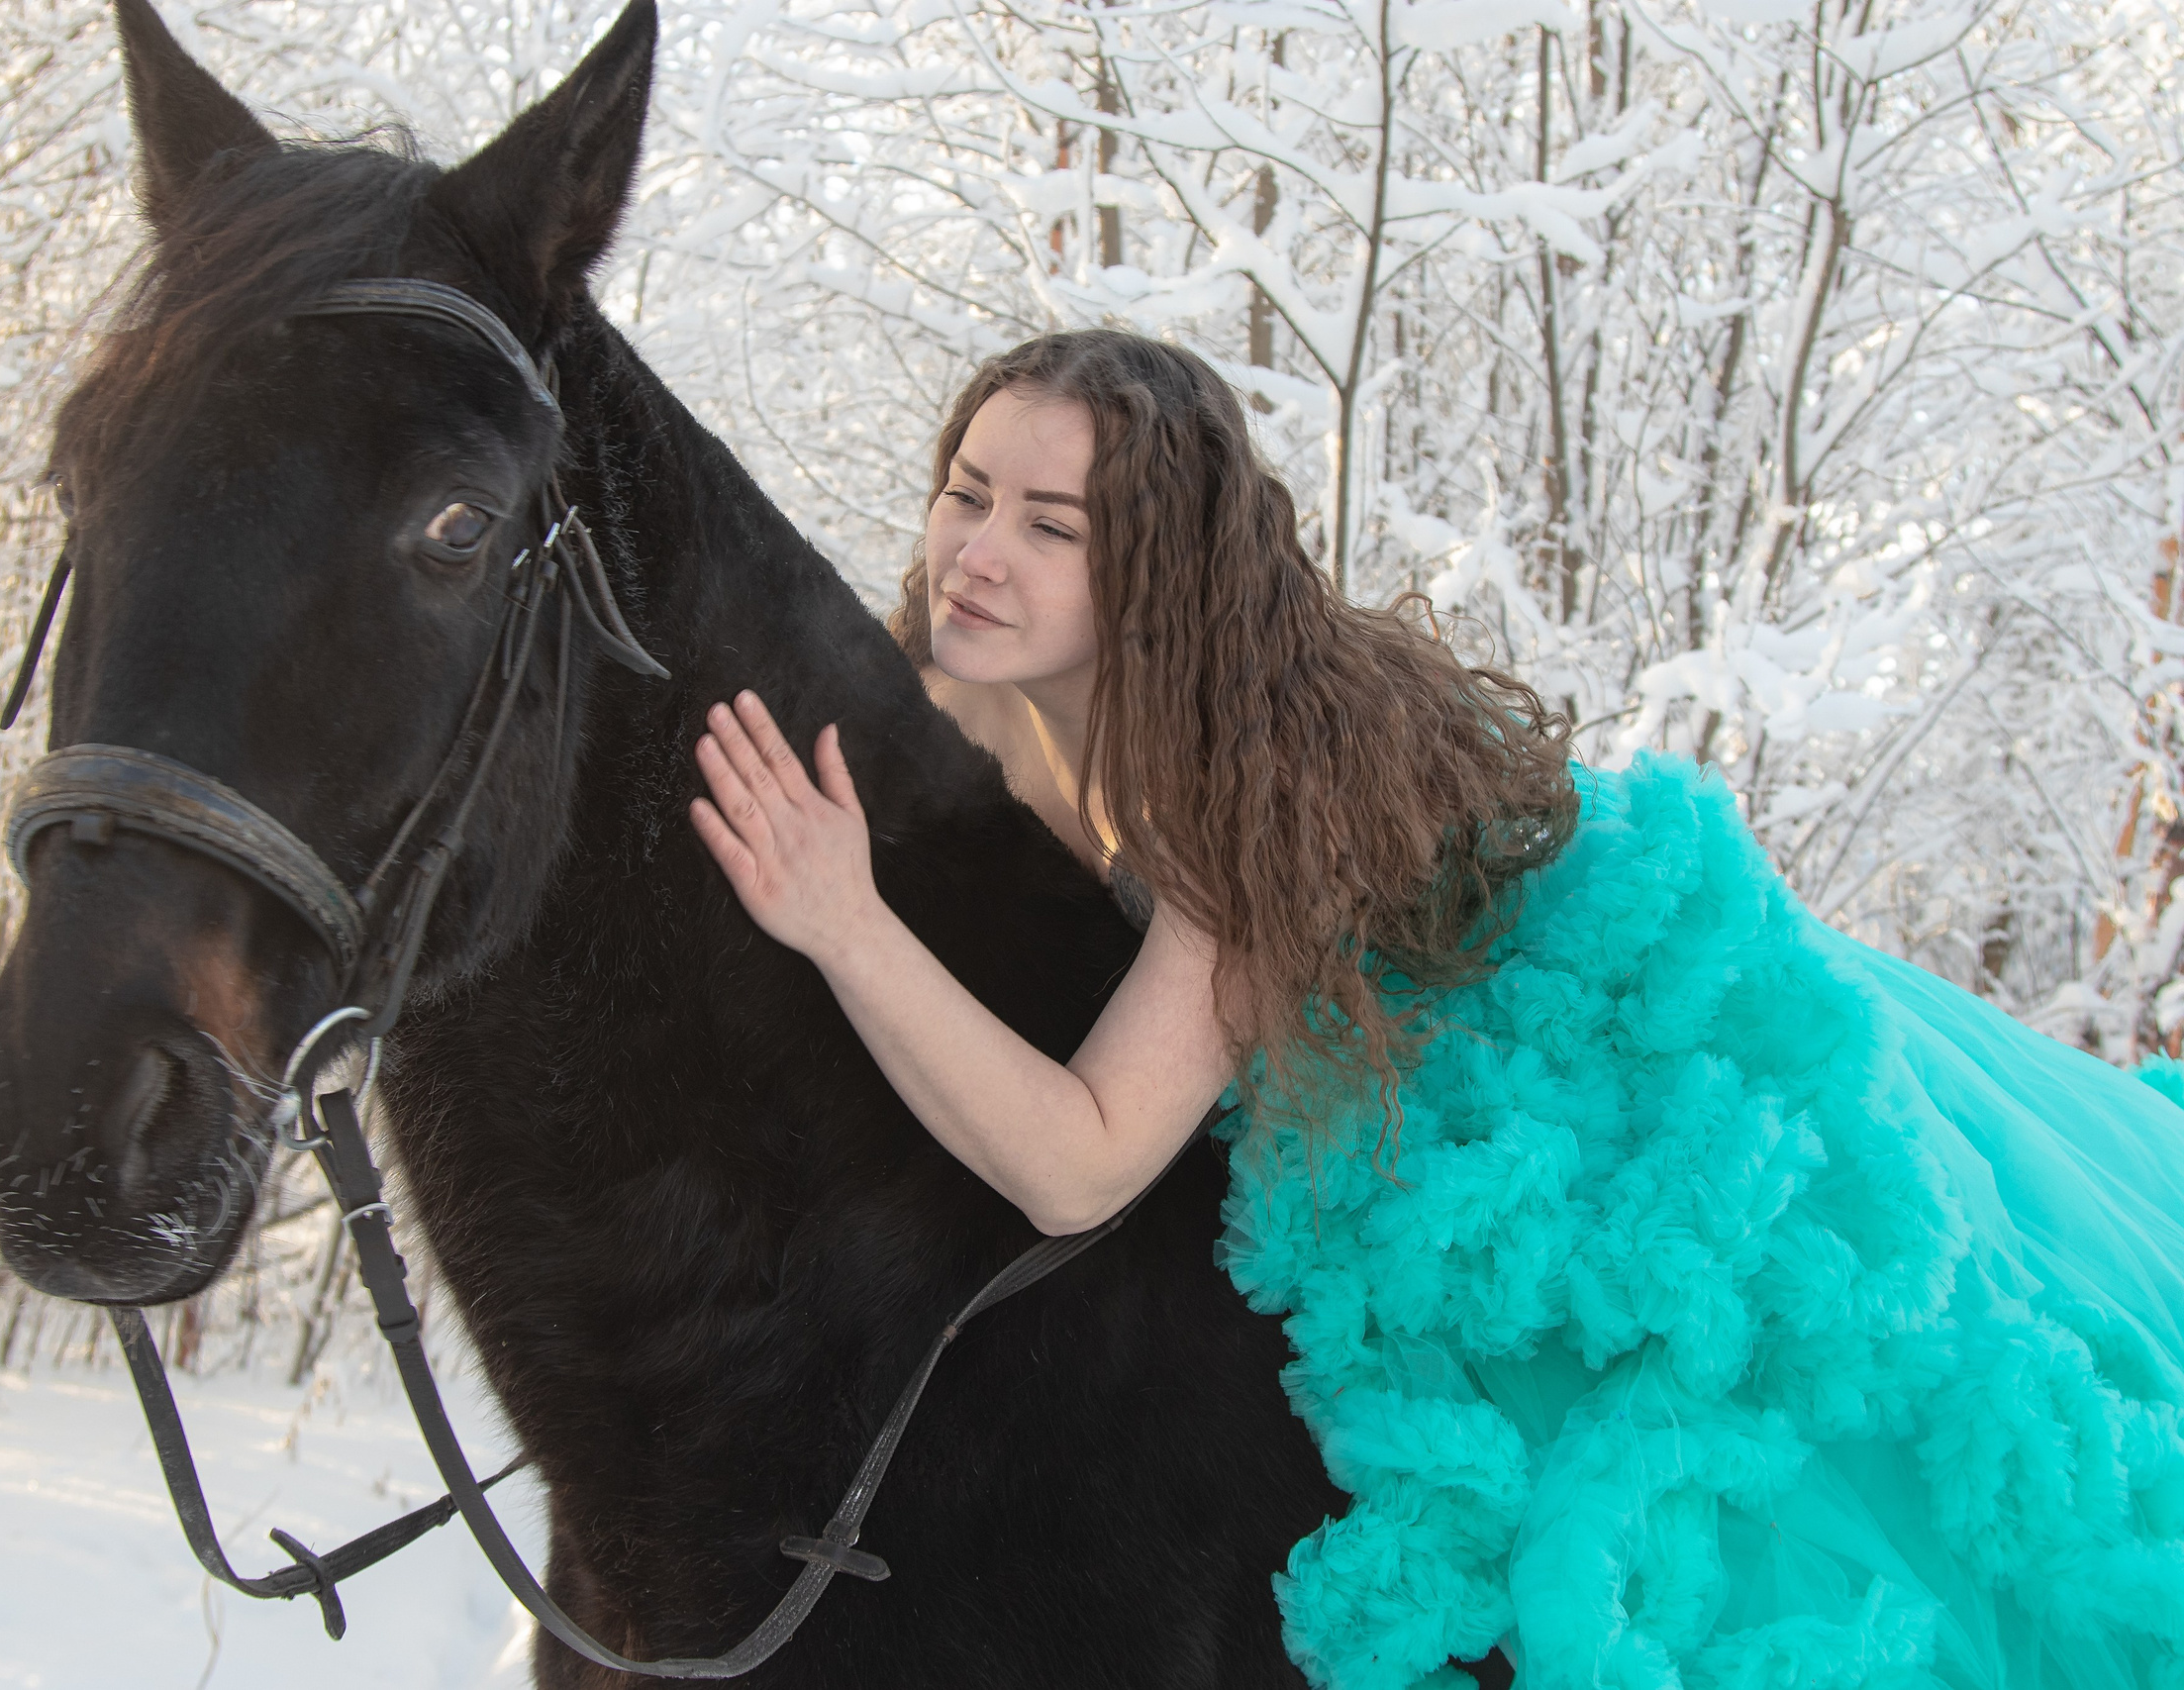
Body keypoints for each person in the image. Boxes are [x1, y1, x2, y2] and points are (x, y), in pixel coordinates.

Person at [686, 330, 2184, 1690]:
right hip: (1364, 1056)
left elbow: (1082, 1160)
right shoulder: (953, 685)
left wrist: (843, 925)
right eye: (967, 492)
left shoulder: (1253, 785)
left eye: (1051, 525)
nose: (978, 552)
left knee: (1752, 1467)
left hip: (1573, 1082)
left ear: (1156, 571)